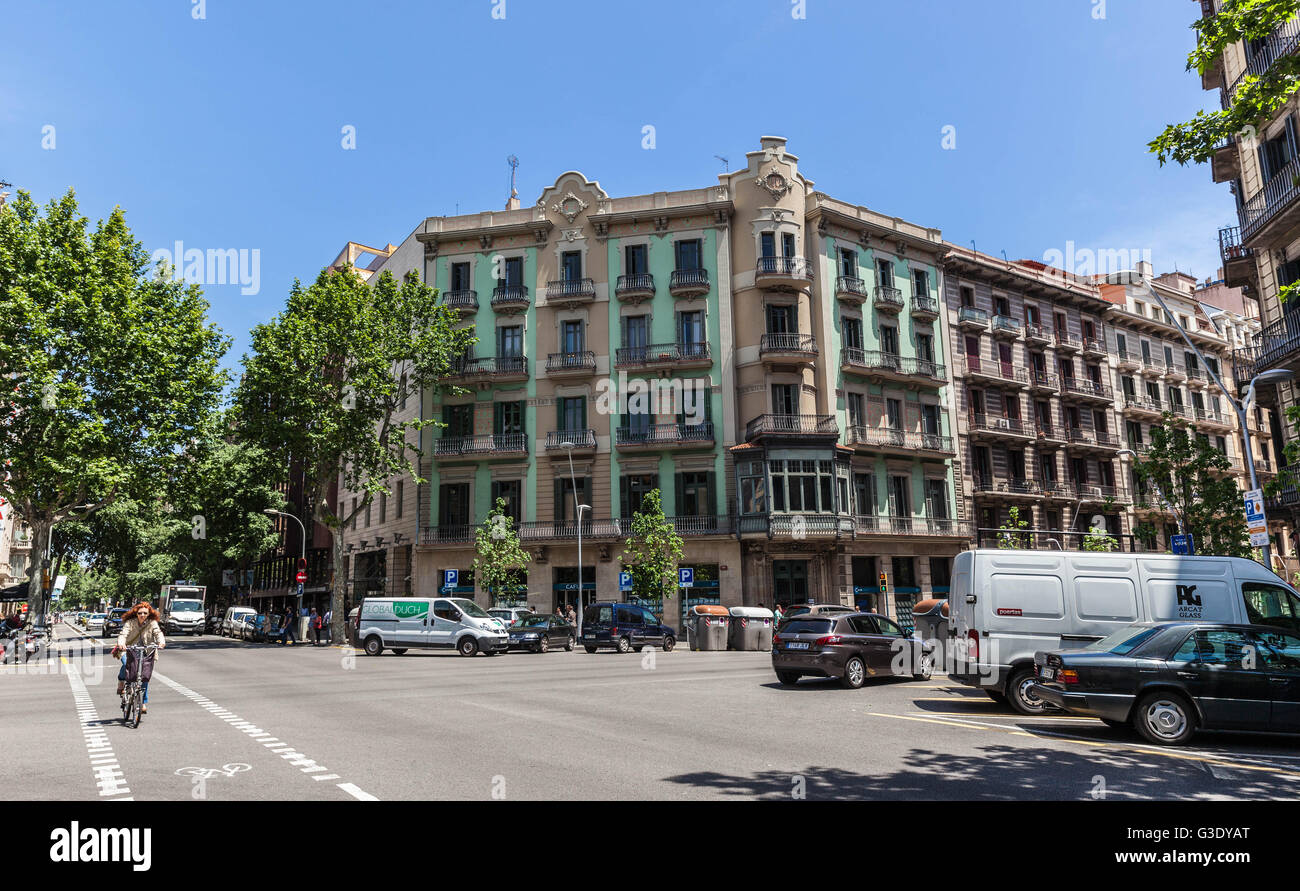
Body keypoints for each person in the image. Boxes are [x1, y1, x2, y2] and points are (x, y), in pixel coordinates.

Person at [112, 602, 165, 714]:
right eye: (140, 613)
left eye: (145, 613)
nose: (142, 615)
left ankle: (143, 702)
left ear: (149, 613)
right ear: (136, 613)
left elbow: (158, 633)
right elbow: (123, 634)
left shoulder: (152, 623)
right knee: (127, 664)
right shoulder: (130, 623)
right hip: (128, 649)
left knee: (144, 675)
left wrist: (161, 642)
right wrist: (121, 644)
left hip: (146, 651)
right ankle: (121, 681)